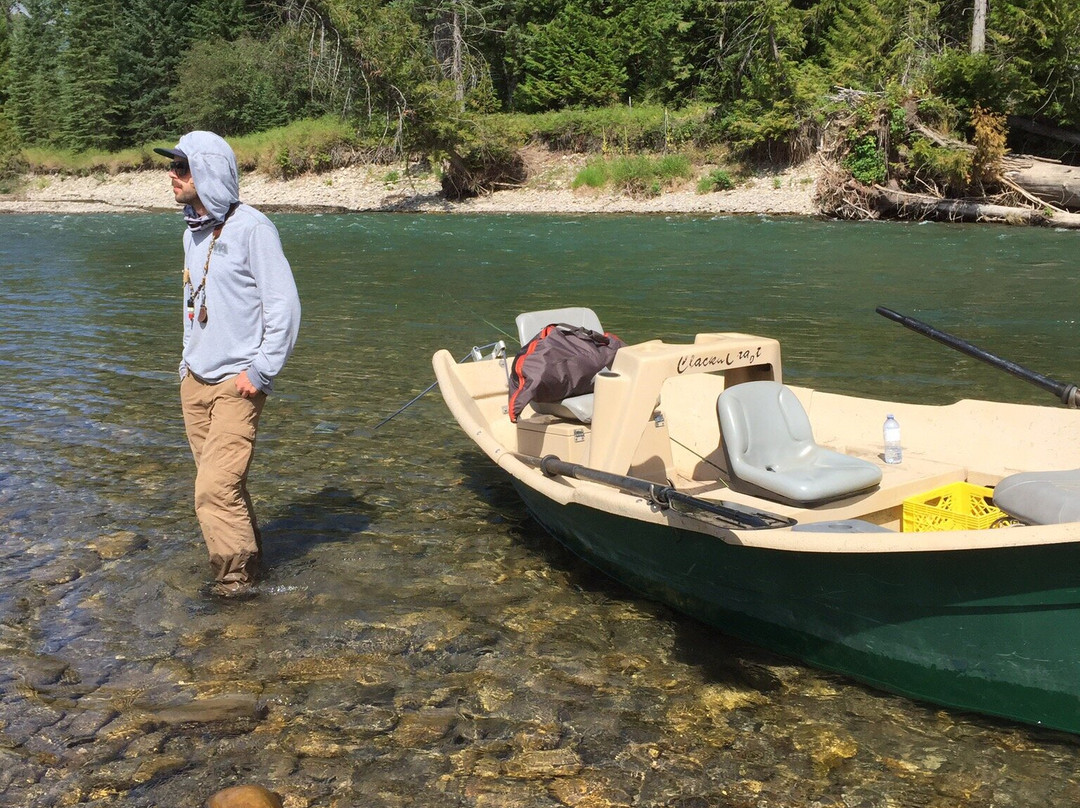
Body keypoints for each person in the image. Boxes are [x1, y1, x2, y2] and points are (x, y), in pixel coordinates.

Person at [155, 131, 301, 598]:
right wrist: (184, 364)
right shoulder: (191, 232)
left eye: (181, 166)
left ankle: (235, 588)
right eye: (172, 166)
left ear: (209, 171)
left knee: (214, 490)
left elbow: (285, 308)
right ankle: (254, 565)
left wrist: (259, 373)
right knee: (223, 487)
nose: (171, 175)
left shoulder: (254, 228)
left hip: (238, 384)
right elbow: (190, 303)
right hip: (195, 382)